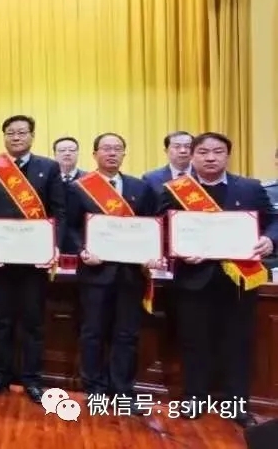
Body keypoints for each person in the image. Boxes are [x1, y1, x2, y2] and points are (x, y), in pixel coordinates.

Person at [159, 132, 277, 428]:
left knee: (238, 343)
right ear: (192, 156)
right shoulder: (175, 190)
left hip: (239, 279)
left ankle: (236, 404)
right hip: (193, 279)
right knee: (193, 342)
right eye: (203, 152)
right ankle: (194, 398)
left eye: (218, 151)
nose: (210, 157)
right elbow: (162, 228)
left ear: (228, 155)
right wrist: (177, 250)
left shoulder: (250, 188)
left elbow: (274, 220)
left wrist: (270, 240)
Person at [0, 114, 64, 405]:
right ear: (4, 137)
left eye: (22, 132)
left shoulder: (48, 168)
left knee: (33, 321)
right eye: (10, 133)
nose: (16, 137)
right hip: (1, 261)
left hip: (35, 262)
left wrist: (53, 246)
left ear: (32, 136)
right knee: (1, 320)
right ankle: (0, 375)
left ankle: (32, 379)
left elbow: (59, 211)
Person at [66, 133, 160, 405]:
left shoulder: (140, 188)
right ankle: (95, 388)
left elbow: (151, 225)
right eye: (106, 148)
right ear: (95, 154)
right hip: (95, 273)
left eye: (117, 148)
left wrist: (151, 253)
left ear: (124, 154)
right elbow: (70, 227)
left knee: (127, 334)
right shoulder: (79, 188)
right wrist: (82, 249)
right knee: (93, 332)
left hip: (131, 274)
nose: (112, 153)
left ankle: (123, 390)